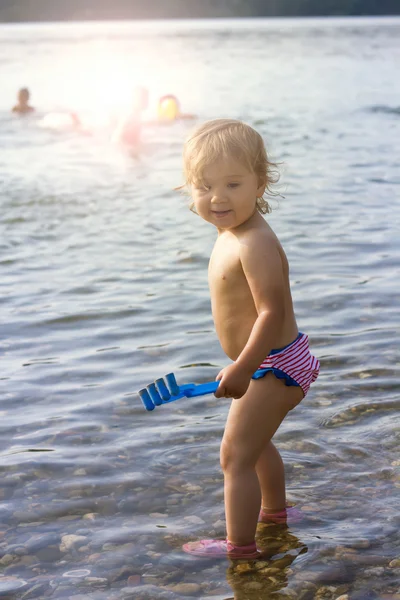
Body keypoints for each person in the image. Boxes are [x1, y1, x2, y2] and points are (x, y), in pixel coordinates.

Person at [180, 119, 320, 559]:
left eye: (233, 184)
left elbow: (270, 312)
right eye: (204, 186)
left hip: (273, 363)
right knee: (255, 445)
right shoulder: (231, 233)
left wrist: (242, 368)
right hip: (270, 359)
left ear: (261, 184)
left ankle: (240, 549)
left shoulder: (253, 242)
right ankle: (276, 515)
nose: (217, 197)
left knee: (233, 457)